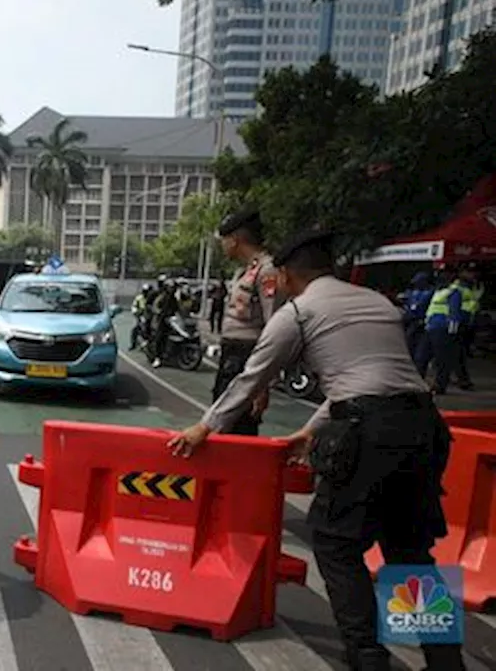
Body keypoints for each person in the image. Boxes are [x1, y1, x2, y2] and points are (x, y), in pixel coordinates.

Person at [167, 230, 463, 671]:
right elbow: (368, 378)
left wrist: (205, 426)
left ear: (286, 275)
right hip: (424, 426)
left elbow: (252, 377)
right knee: (409, 551)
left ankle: (367, 657)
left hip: (371, 433)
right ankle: (445, 662)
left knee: (336, 542)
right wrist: (310, 430)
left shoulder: (299, 314)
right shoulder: (378, 303)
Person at [211, 208, 278, 435]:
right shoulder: (244, 271)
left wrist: (262, 384)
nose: (222, 246)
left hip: (247, 357)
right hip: (232, 356)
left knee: (238, 426)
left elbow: (273, 326)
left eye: (224, 240)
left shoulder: (267, 271)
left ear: (235, 240)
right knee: (221, 422)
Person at [416, 267, 471, 394]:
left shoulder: (453, 292)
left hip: (443, 330)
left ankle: (440, 386)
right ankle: (417, 383)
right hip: (430, 328)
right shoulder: (438, 291)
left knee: (442, 360)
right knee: (421, 357)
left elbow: (454, 312)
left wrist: (452, 331)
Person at [456, 262, 483, 390]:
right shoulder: (458, 286)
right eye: (469, 271)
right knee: (458, 353)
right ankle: (462, 380)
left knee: (462, 353)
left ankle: (460, 378)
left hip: (469, 323)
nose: (473, 274)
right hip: (459, 323)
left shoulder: (475, 286)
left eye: (474, 272)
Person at [402, 271, 435, 362]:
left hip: (423, 323)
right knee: (409, 344)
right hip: (411, 321)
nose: (416, 284)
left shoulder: (431, 292)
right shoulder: (412, 293)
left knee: (421, 351)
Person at [148, 277, 181, 367]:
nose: (172, 289)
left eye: (173, 288)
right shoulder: (162, 297)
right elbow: (155, 306)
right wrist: (160, 313)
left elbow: (178, 309)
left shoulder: (174, 299)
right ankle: (157, 358)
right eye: (171, 287)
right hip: (161, 321)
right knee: (160, 338)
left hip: (171, 321)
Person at [130, 284, 152, 351]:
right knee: (135, 329)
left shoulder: (152, 298)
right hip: (141, 315)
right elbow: (134, 306)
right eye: (144, 291)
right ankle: (133, 344)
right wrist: (136, 312)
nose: (146, 293)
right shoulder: (139, 298)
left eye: (147, 291)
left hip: (150, 316)